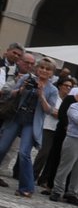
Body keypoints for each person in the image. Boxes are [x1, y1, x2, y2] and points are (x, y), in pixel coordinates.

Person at [1, 57, 61, 198]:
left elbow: (49, 110)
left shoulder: (52, 89)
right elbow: (11, 94)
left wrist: (41, 95)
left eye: (47, 69)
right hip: (16, 116)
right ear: (37, 68)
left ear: (52, 73)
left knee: (24, 154)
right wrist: (21, 89)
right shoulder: (28, 78)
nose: (44, 71)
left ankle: (27, 187)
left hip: (32, 122)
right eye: (41, 67)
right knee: (2, 147)